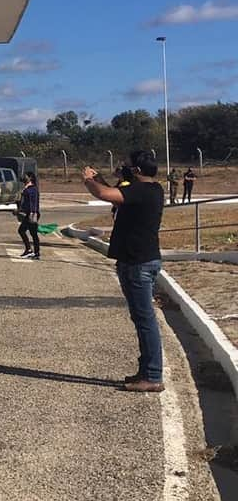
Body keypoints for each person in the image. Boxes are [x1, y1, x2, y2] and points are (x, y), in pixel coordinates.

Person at [83, 151, 166, 393]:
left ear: (138, 170)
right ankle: (147, 370)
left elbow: (103, 194)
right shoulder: (152, 189)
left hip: (137, 262)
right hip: (139, 260)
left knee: (145, 320)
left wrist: (89, 180)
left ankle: (152, 375)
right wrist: (102, 179)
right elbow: (117, 197)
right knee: (142, 319)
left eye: (128, 166)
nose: (124, 168)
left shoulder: (141, 190)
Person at [16, 172, 40, 258]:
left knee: (25, 231)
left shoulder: (32, 189)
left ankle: (31, 251)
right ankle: (33, 252)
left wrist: (31, 213)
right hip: (30, 213)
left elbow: (31, 202)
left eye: (26, 177)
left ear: (30, 178)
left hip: (32, 214)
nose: (24, 178)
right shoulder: (29, 188)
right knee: (30, 233)